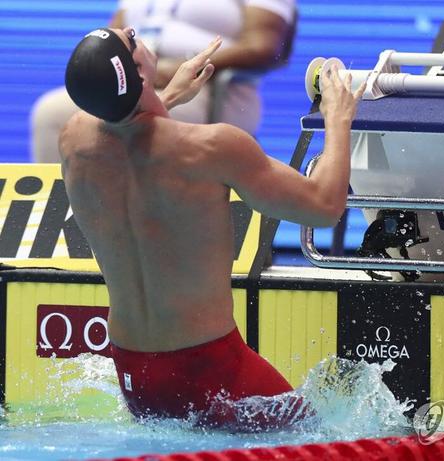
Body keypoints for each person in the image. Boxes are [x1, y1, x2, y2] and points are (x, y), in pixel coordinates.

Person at [58, 27, 363, 430]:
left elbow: (129, 134)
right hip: (212, 369)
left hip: (134, 373)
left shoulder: (73, 140)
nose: (141, 35)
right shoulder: (211, 148)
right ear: (138, 70)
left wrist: (164, 97)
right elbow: (324, 206)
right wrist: (338, 118)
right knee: (327, 444)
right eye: (133, 36)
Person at [32, 0, 295, 163]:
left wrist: (183, 66)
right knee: (52, 112)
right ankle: (67, 232)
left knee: (140, 119)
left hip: (205, 87)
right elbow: (110, 37)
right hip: (134, 82)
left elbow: (264, 46)